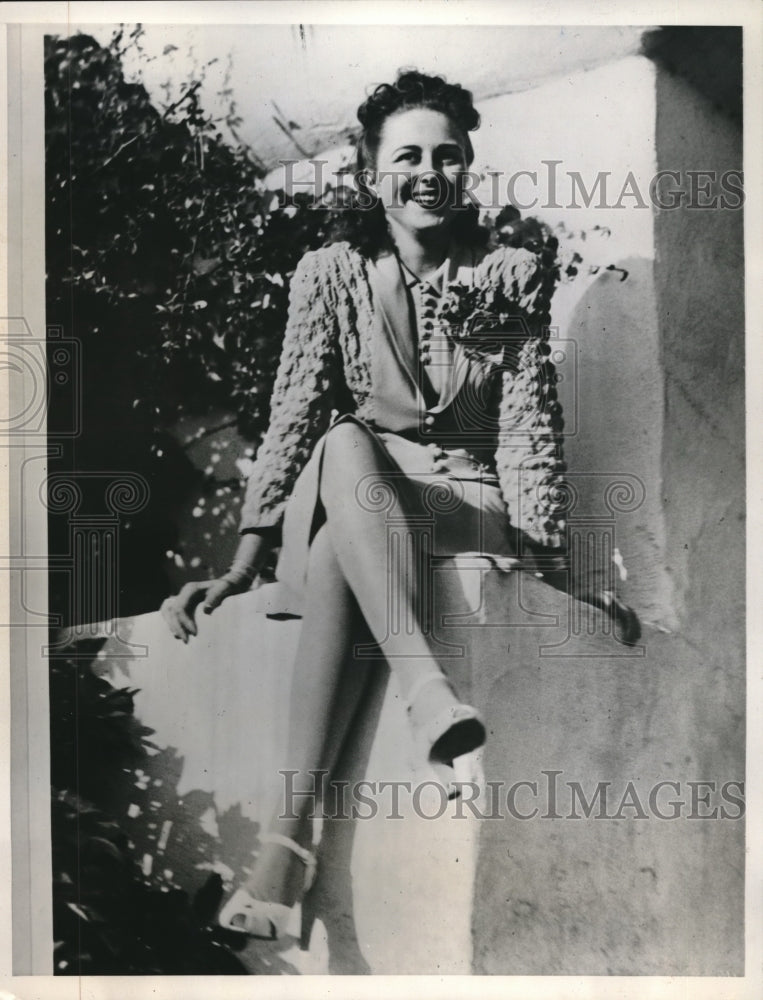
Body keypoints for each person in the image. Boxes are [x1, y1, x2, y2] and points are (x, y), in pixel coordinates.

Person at [161, 69, 635, 941]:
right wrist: (243, 557)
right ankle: (411, 703)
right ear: (371, 172)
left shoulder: (507, 273)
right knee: (343, 448)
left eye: (447, 156)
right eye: (407, 154)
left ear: (466, 171)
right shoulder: (329, 274)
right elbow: (297, 407)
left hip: (464, 498)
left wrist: (554, 566)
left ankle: (283, 846)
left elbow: (528, 424)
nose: (428, 172)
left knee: (349, 496)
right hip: (363, 489)